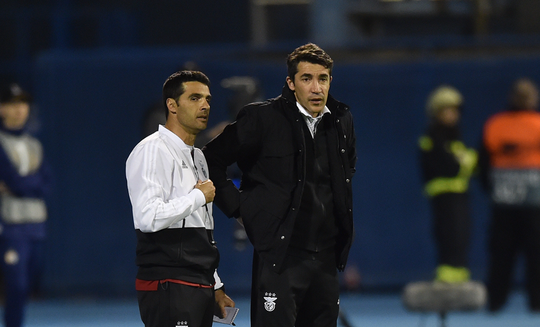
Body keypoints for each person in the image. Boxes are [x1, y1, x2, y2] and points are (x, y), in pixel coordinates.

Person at [203, 43, 357, 327]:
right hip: (280, 258)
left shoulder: (341, 122)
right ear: (290, 82)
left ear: (330, 81)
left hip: (324, 260)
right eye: (306, 79)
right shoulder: (261, 118)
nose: (316, 88)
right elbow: (210, 160)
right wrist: (239, 209)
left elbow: (345, 174)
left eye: (322, 79)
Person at [125, 70, 235, 327]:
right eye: (195, 98)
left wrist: (215, 284)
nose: (205, 105)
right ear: (172, 105)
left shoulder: (197, 157)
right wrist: (198, 196)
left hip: (198, 284)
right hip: (169, 284)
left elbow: (203, 231)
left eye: (207, 99)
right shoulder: (152, 150)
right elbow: (148, 217)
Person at [479, 77, 540, 312]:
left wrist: (494, 190)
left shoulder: (496, 124)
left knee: (502, 255)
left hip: (505, 203)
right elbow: (484, 163)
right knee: (530, 255)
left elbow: (483, 166)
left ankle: (496, 301)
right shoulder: (534, 123)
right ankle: (534, 302)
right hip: (531, 205)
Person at [0, 83, 52, 327]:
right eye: (12, 103)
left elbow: (46, 184)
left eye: (23, 103)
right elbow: (12, 178)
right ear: (2, 109)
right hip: (10, 226)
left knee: (27, 285)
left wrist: (20, 185)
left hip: (36, 226)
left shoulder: (35, 145)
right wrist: (24, 184)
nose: (19, 109)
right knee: (16, 286)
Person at [418, 85, 477, 283]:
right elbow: (449, 166)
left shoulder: (455, 136)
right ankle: (447, 282)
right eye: (447, 110)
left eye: (455, 110)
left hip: (460, 195)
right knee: (449, 237)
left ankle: (459, 279)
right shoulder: (431, 138)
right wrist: (463, 163)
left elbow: (468, 165)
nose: (453, 115)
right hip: (443, 197)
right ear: (436, 112)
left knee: (462, 236)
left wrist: (463, 163)